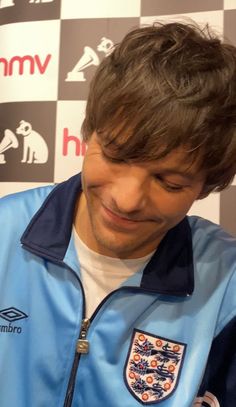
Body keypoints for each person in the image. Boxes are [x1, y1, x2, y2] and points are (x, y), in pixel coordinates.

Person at [0, 21, 236, 407]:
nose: (127, 200)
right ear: (88, 133)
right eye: (115, 155)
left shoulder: (228, 284)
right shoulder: (3, 233)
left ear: (206, 186)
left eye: (169, 182)